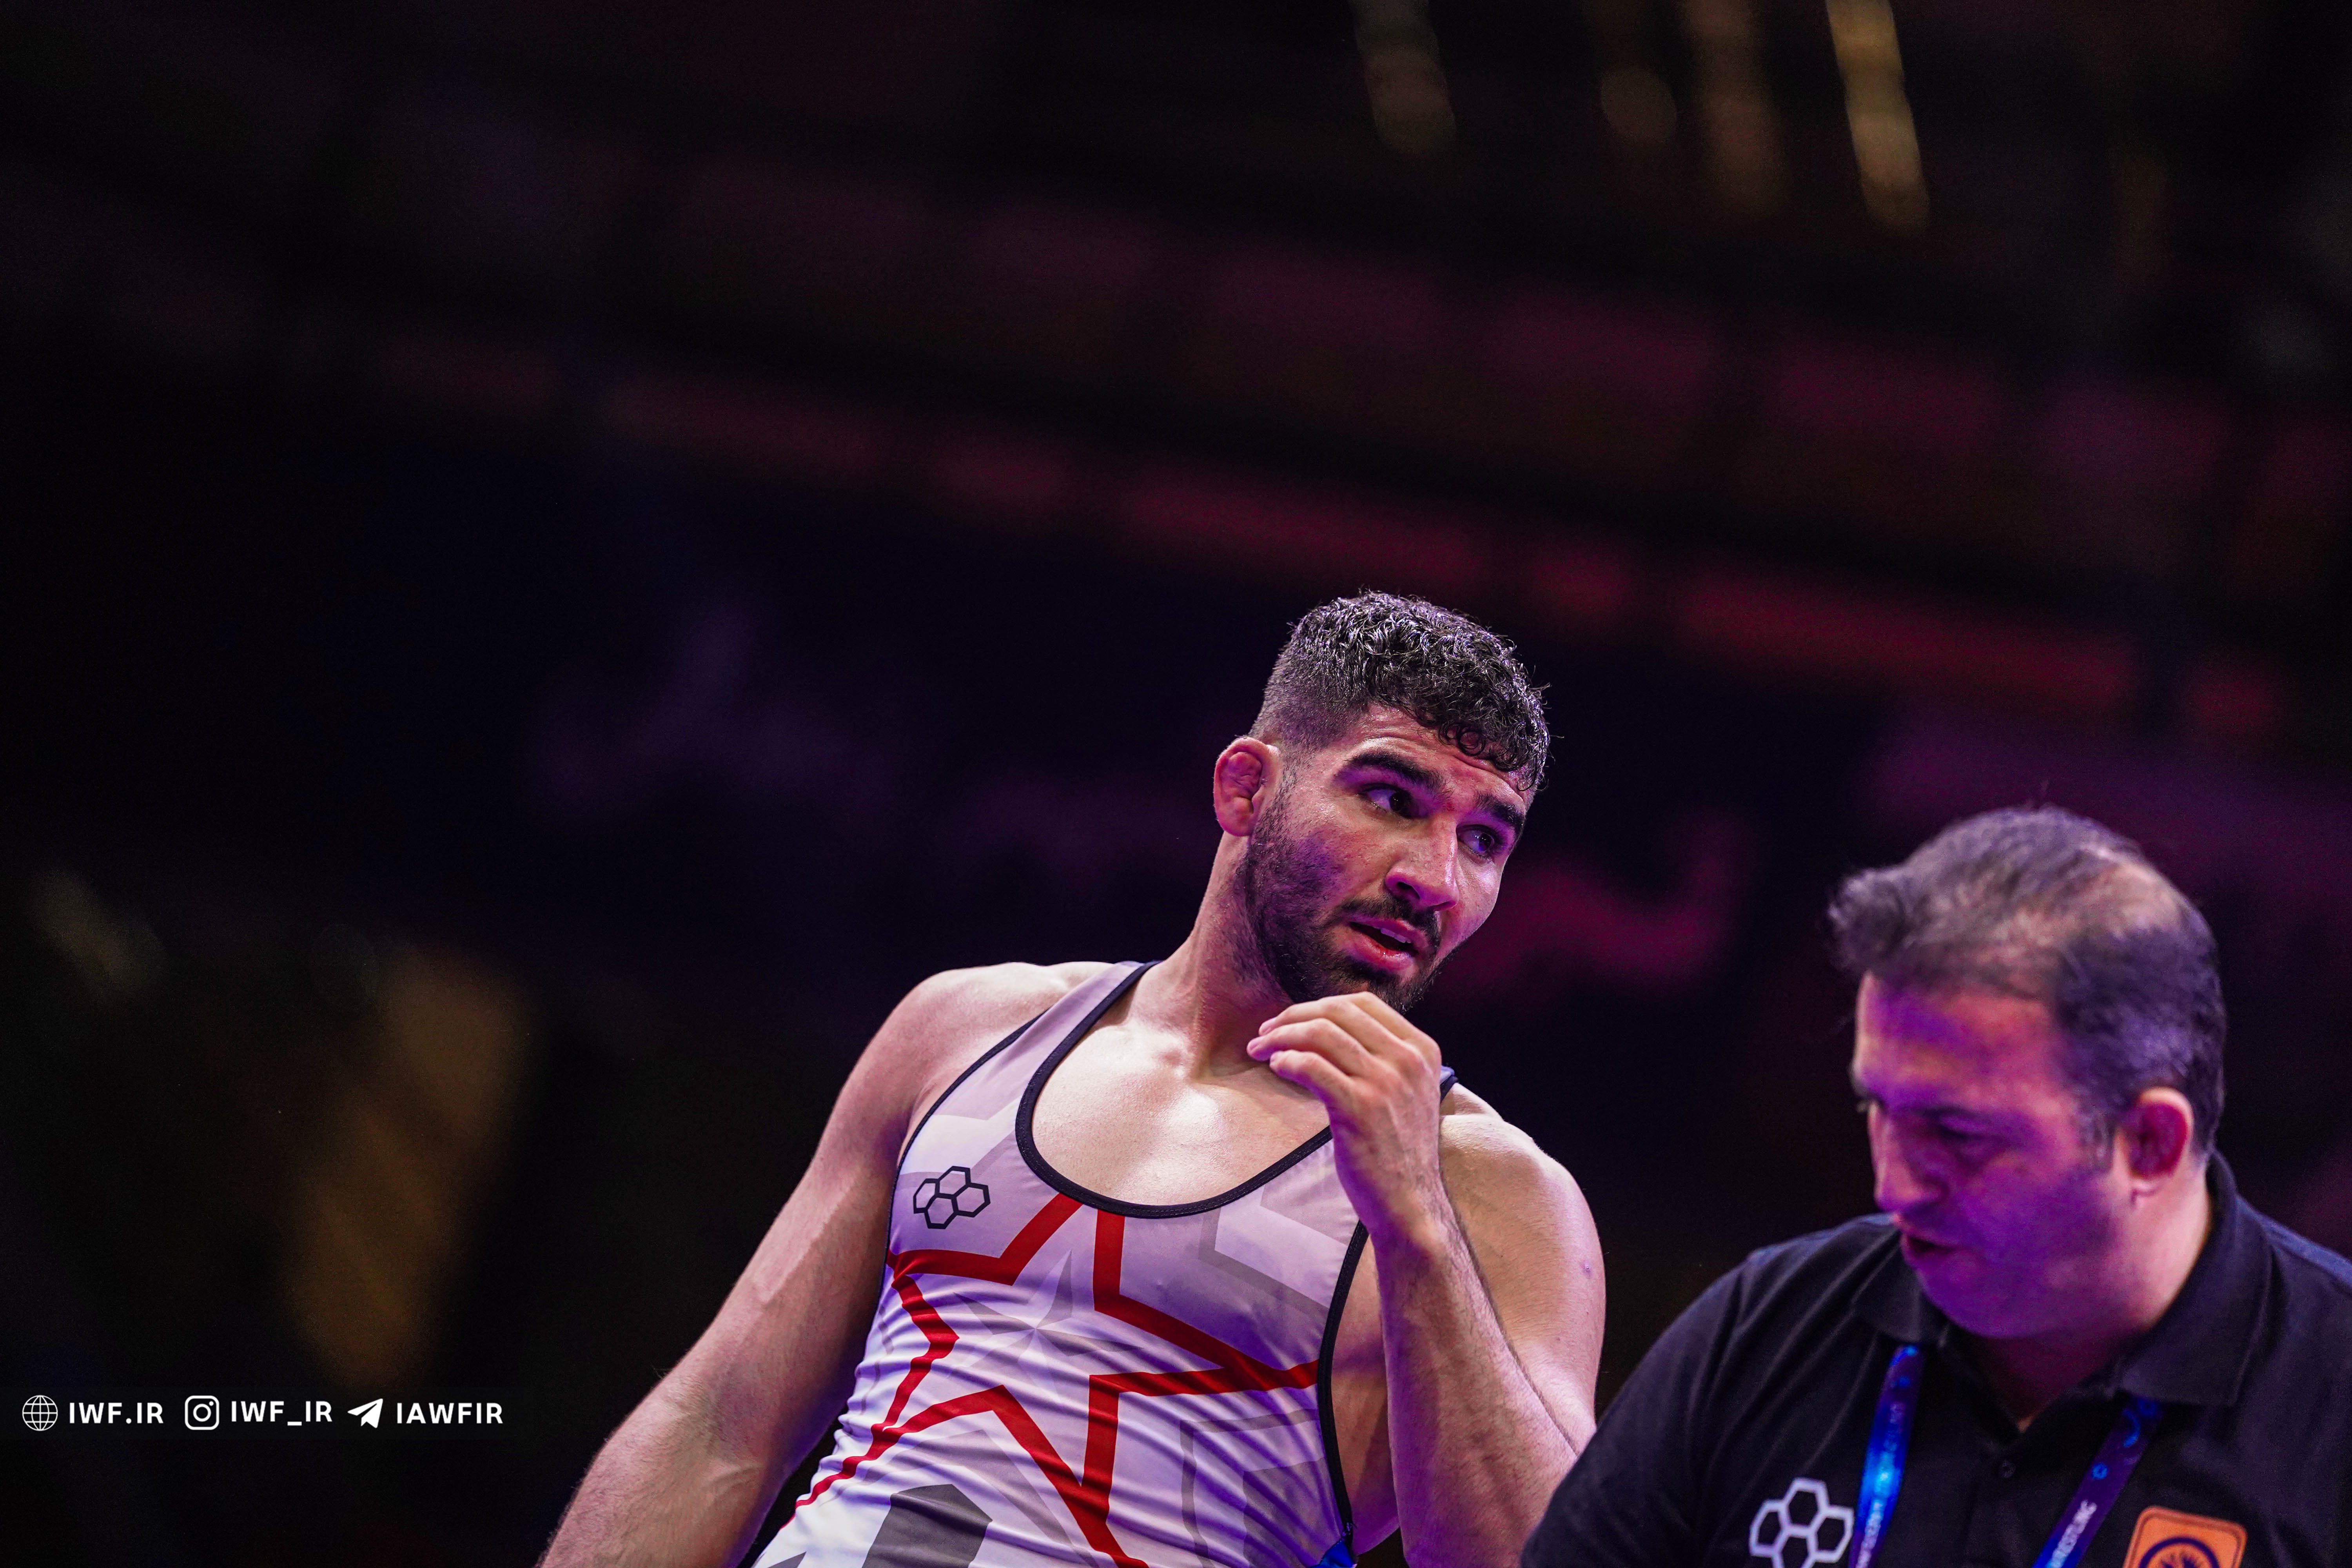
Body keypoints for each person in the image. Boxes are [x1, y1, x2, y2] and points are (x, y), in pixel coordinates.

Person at [545, 593, 1605, 1568]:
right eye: (1391, 798)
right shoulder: (968, 1029)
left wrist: (1417, 1224)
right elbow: (722, 1424)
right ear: (1246, 787)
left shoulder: (1490, 1190)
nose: (1435, 878)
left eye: (1483, 839)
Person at [1524, 806, 2352, 1568]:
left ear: (2150, 1143)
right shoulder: (1768, 1324)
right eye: (1877, 1107)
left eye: (1959, 1134)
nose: (1894, 1188)